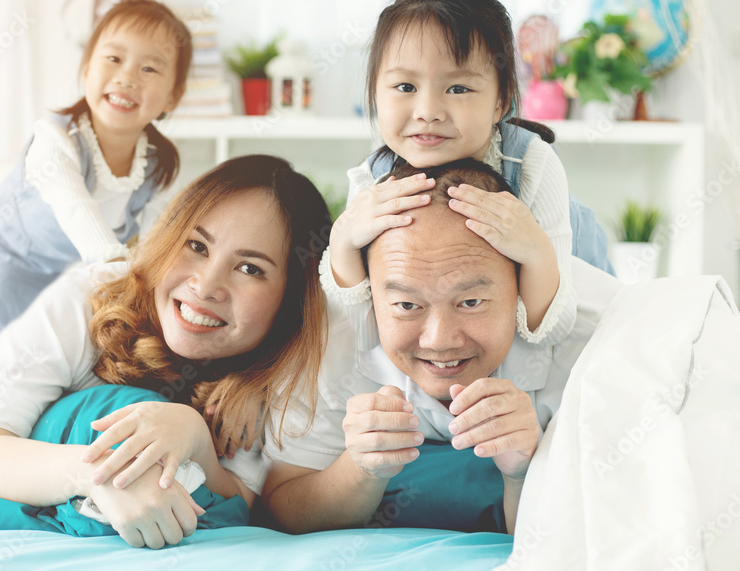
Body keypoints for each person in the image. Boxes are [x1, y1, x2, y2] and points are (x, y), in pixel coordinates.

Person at [0, 154, 332, 549]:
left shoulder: (274, 377)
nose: (206, 285)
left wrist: (195, 435)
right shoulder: (85, 304)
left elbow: (242, 502)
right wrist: (98, 476)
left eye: (250, 269)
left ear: (290, 301)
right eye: (197, 245)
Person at [261, 158, 622, 536]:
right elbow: (280, 508)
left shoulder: (595, 351)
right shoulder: (328, 340)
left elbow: (609, 535)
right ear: (369, 295)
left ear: (519, 286)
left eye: (470, 302)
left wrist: (523, 473)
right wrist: (360, 469)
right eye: (406, 305)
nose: (439, 340)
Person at [328, 0, 614, 365]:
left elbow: (558, 330)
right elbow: (364, 335)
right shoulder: (371, 182)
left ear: (501, 101)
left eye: (458, 88)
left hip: (572, 280)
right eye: (405, 86)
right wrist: (343, 242)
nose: (428, 110)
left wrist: (535, 253)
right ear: (375, 96)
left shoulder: (531, 165)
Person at [0, 0, 191, 369]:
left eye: (149, 69)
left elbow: (159, 238)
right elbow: (75, 208)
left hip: (77, 279)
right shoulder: (55, 139)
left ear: (173, 96)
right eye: (114, 59)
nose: (127, 77)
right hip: (12, 267)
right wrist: (115, 268)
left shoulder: (157, 163)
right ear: (87, 69)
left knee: (48, 367)